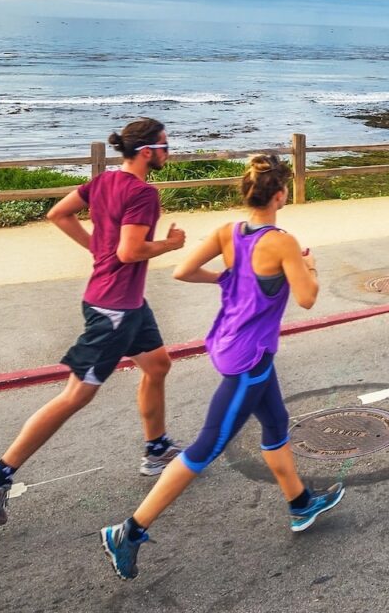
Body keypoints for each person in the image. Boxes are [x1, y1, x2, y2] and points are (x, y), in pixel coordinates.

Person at [100, 153, 345, 580]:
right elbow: (307, 298)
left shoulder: (228, 233)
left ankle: (301, 503)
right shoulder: (282, 241)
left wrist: (230, 277)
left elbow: (182, 270)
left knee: (276, 424)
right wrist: (309, 267)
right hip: (249, 358)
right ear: (281, 193)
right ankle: (129, 531)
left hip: (232, 344)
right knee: (206, 448)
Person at [0, 117, 186, 525]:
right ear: (147, 152)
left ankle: (156, 450)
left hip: (130, 305)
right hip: (113, 310)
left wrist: (95, 248)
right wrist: (169, 244)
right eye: (166, 147)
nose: (169, 153)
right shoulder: (142, 193)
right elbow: (130, 253)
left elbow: (58, 214)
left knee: (157, 365)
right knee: (75, 396)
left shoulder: (103, 182)